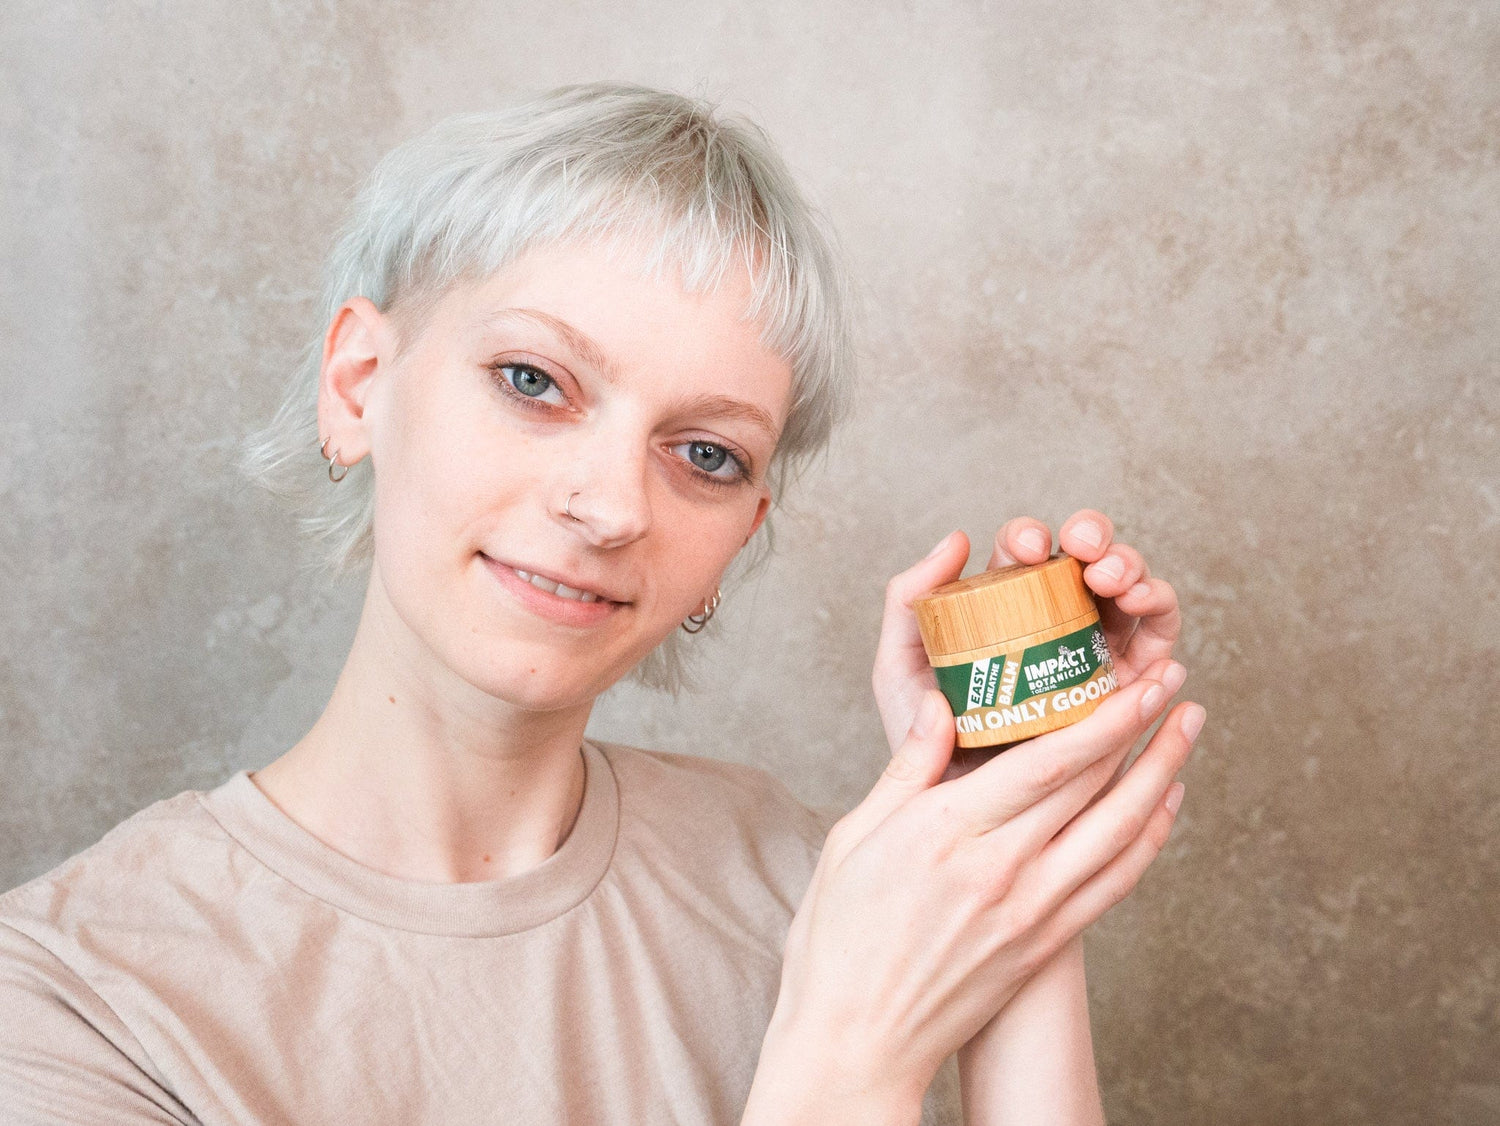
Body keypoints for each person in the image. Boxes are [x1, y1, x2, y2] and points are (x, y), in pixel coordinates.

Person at [0, 81, 1201, 1124]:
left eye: (706, 454)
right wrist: (850, 1057)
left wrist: (1011, 818)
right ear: (359, 384)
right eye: (534, 380)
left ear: (737, 539)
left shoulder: (809, 881)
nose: (613, 504)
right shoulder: (73, 1000)